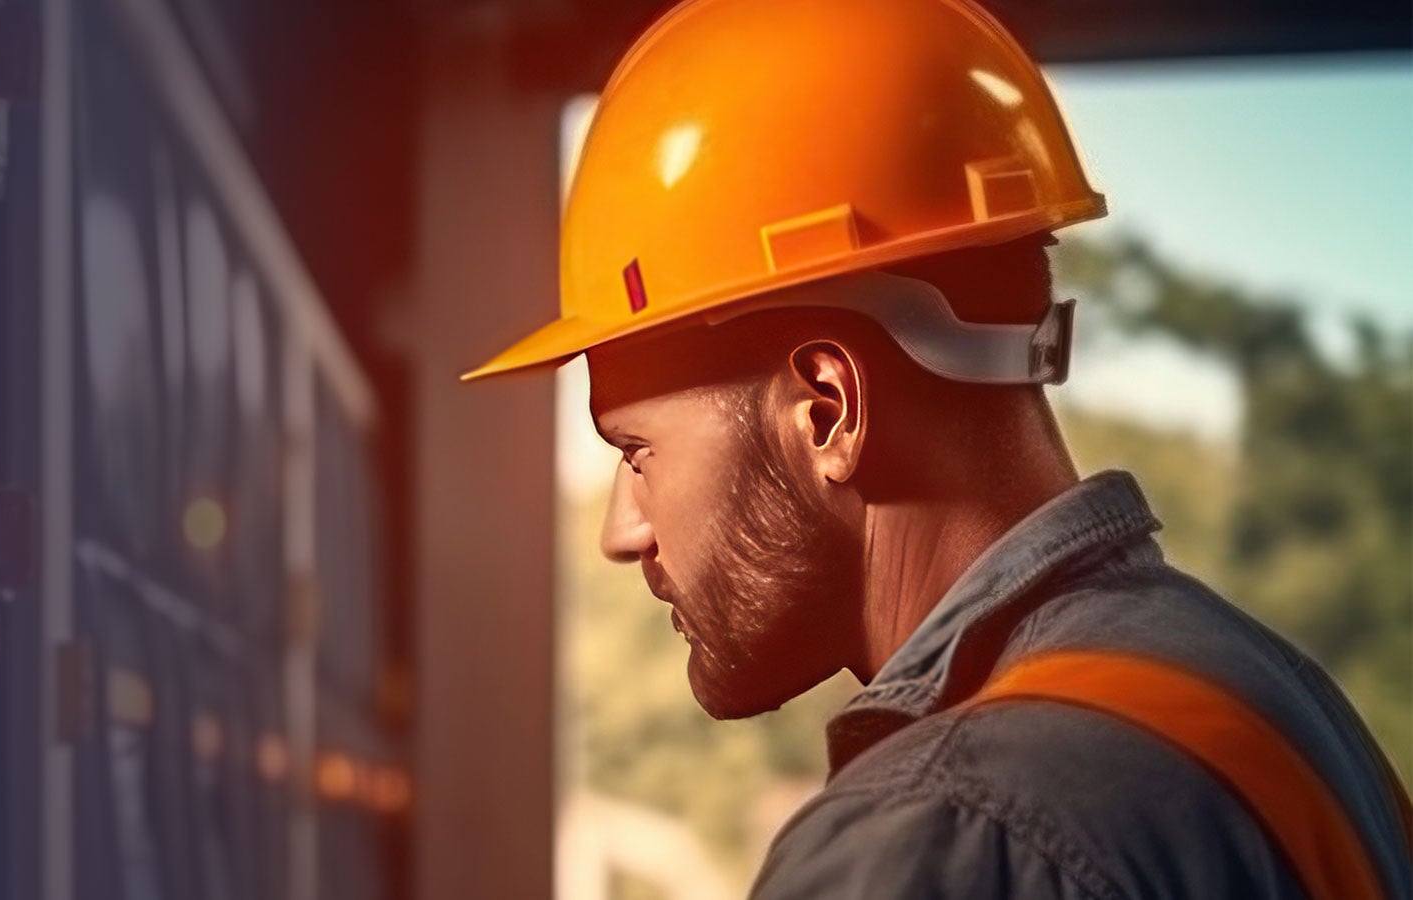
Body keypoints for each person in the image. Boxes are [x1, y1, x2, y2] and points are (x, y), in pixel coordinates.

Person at [460, 0, 1413, 895]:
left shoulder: (942, 832)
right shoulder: (1265, 701)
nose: (622, 534)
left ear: (827, 410)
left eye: (635, 453)